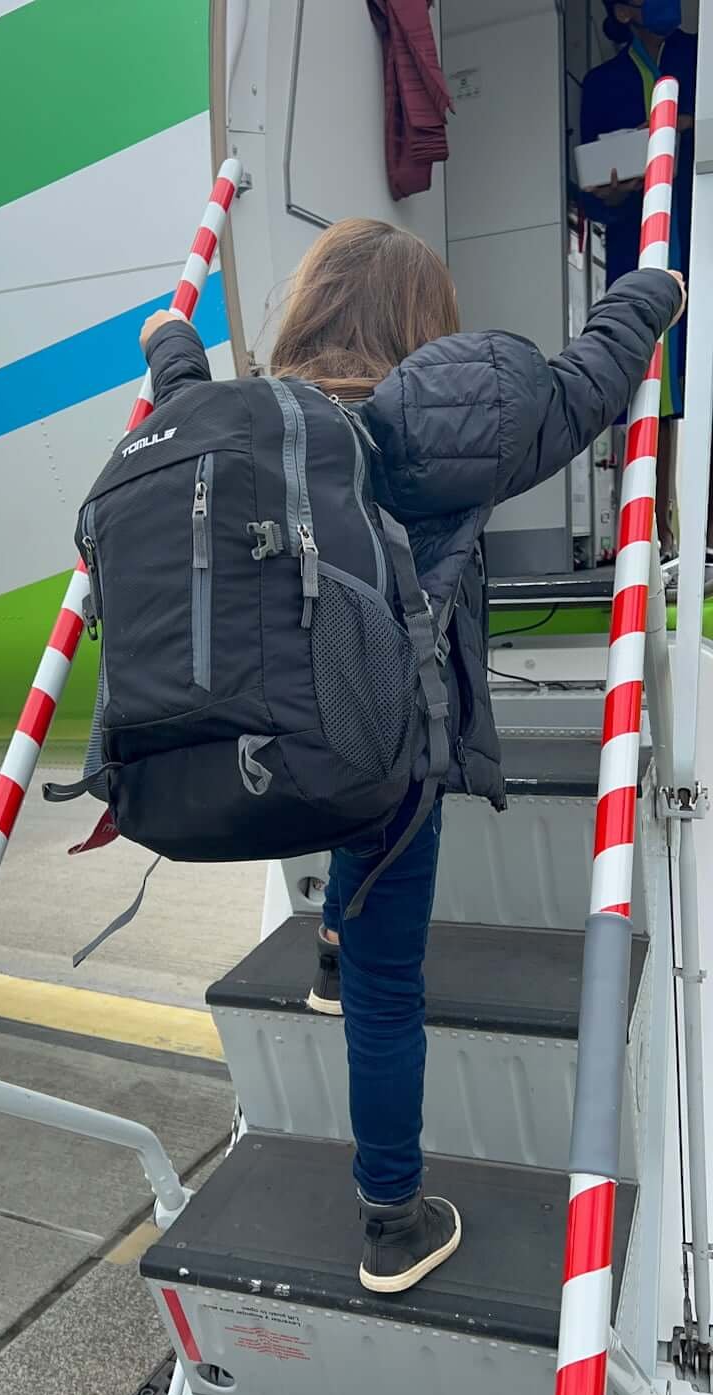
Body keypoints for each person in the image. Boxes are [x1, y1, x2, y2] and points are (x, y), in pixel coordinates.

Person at [140, 219, 685, 1294]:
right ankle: (390, 1219)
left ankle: (331, 957)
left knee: (346, 863)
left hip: (269, 740)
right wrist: (653, 287)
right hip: (389, 754)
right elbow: (586, 382)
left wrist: (168, 332)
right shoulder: (443, 425)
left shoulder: (250, 428)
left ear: (305, 314)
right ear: (418, 325)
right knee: (393, 984)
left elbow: (177, 392)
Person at [580, 1, 710, 587]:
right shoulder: (604, 83)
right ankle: (656, 542)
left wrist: (678, 129)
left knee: (704, 384)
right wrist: (611, 188)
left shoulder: (698, 56)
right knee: (645, 390)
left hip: (698, 235)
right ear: (623, 10)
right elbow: (585, 183)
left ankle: (705, 540)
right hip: (639, 246)